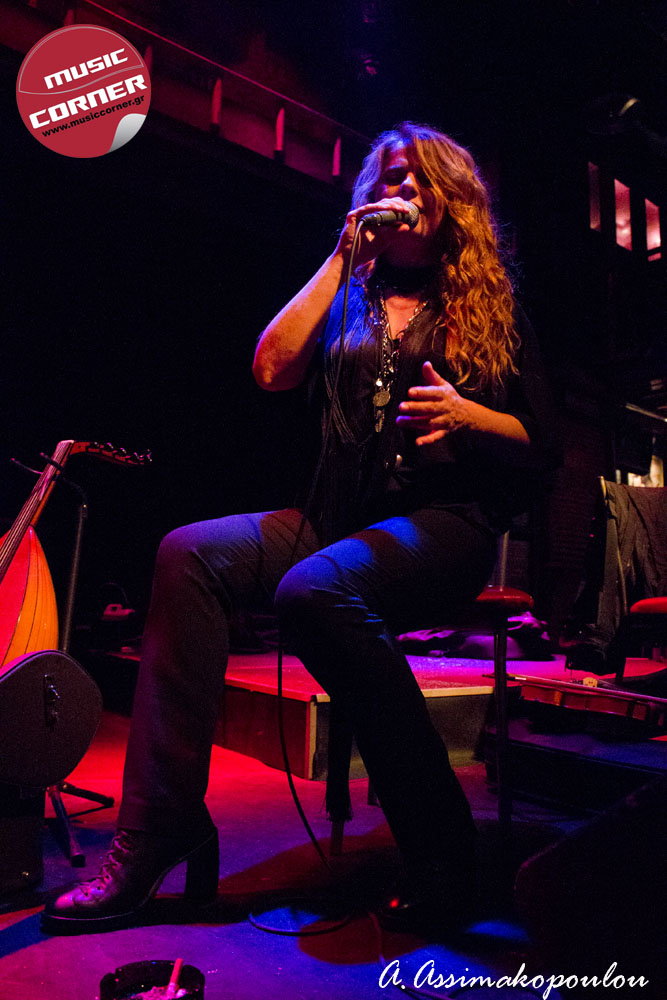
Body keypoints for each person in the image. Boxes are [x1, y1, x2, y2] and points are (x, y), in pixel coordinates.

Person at [43, 122, 557, 934]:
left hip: (444, 526)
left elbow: (543, 441)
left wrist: (469, 416)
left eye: (420, 178)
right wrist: (341, 258)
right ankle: (161, 828)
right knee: (190, 553)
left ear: (453, 201)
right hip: (334, 518)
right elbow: (271, 367)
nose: (401, 191)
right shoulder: (350, 292)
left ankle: (440, 847)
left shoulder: (488, 309)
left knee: (315, 589)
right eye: (389, 177)